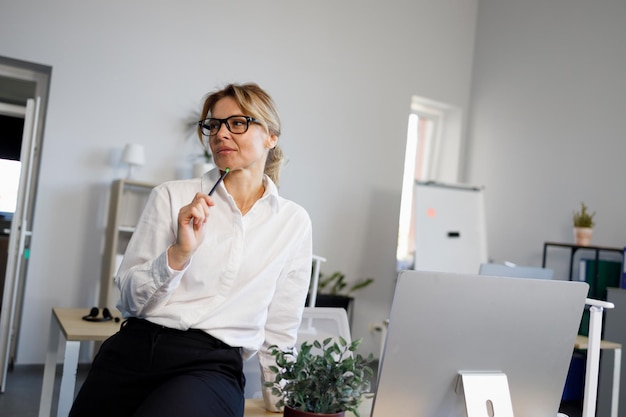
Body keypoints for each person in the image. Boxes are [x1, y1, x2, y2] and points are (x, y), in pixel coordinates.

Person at [69, 83, 313, 417]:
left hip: (211, 366)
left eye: (237, 123)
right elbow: (128, 300)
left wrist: (280, 402)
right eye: (213, 125)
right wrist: (179, 253)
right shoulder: (171, 196)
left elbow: (281, 328)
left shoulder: (293, 222)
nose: (221, 134)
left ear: (271, 136)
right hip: (135, 347)